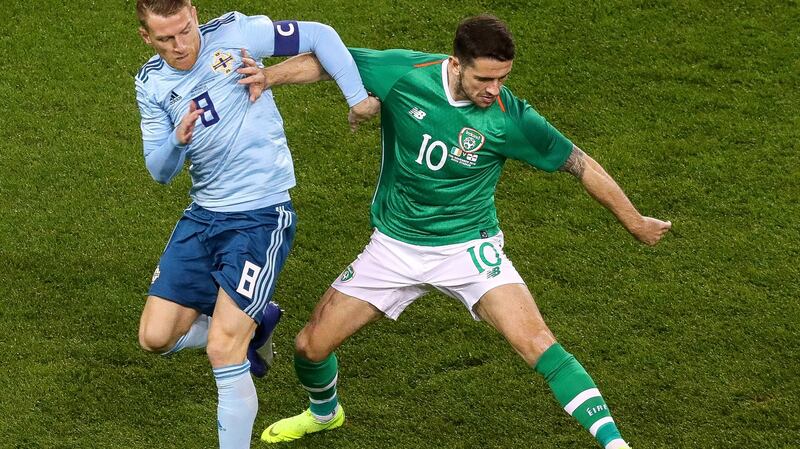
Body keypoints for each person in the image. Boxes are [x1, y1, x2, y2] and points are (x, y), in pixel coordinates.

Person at [252, 15, 671, 449]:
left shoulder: (511, 118)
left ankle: (616, 444)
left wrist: (635, 221)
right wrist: (267, 76)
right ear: (455, 64)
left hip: (468, 250)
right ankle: (325, 414)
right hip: (393, 248)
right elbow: (329, 59)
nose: (494, 90)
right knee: (310, 346)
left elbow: (581, 164)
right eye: (485, 79)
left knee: (538, 344)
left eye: (503, 78)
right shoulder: (406, 74)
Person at [133, 1, 377, 447]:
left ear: (193, 13)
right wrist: (176, 140)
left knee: (222, 349)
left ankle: (239, 334)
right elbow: (159, 171)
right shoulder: (151, 83)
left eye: (186, 31)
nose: (181, 45)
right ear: (147, 37)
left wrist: (357, 98)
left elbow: (320, 34)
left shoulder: (236, 32)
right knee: (155, 338)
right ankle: (256, 320)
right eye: (166, 39)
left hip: (260, 216)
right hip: (203, 215)